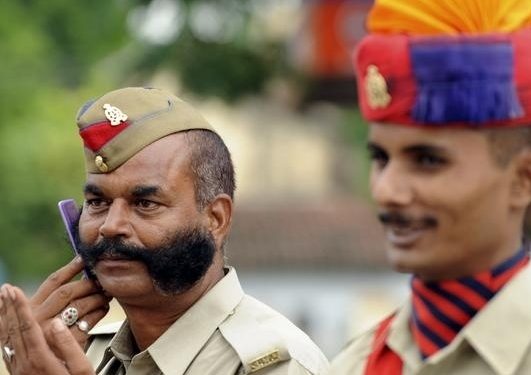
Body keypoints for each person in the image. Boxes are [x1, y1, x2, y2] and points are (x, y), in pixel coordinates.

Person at [0, 87, 328, 374]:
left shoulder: (276, 365)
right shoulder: (86, 353)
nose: (111, 227)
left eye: (145, 204)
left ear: (216, 218)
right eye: (97, 202)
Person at [329, 0, 531, 374]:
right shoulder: (355, 365)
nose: (386, 191)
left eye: (427, 160)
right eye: (380, 158)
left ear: (526, 180)